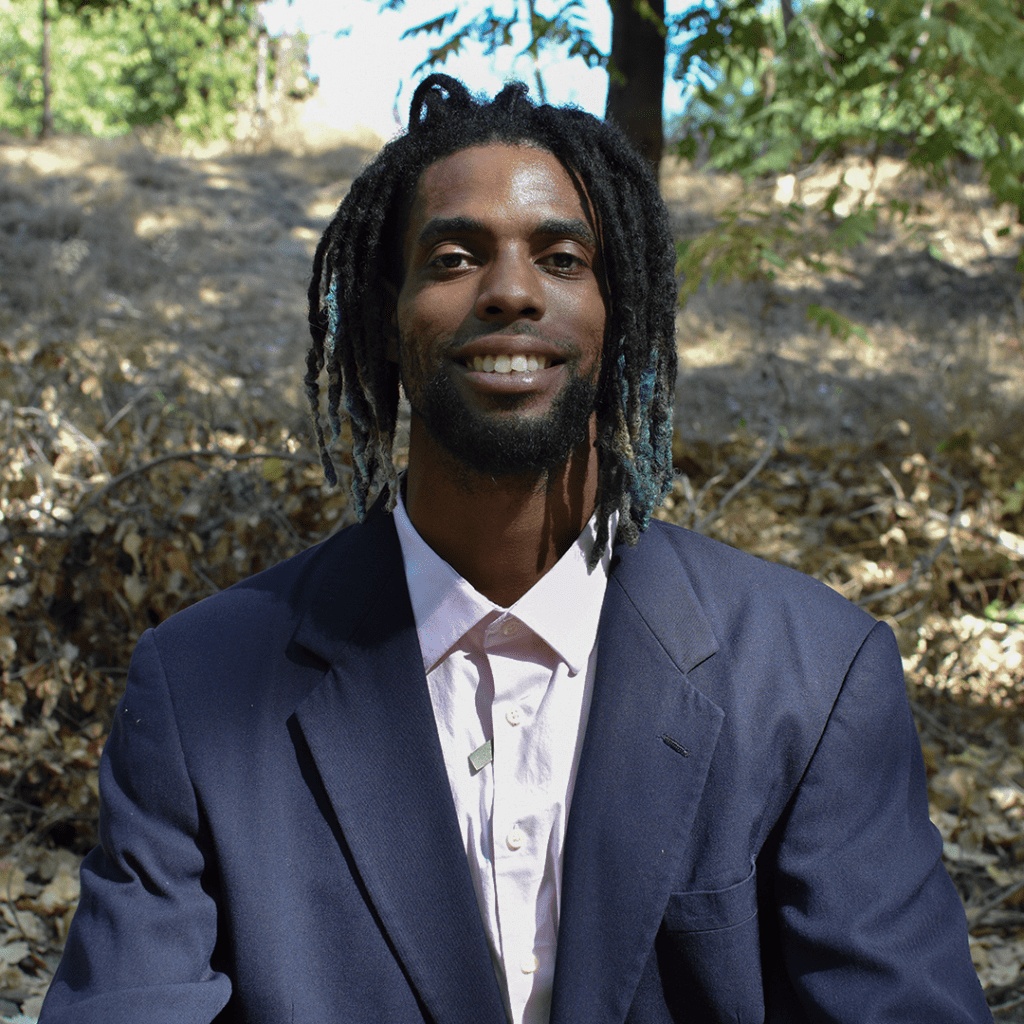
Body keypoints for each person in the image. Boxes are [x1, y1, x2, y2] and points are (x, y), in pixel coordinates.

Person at [40, 75, 991, 1024]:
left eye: (563, 258)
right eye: (453, 257)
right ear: (385, 312)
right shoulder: (201, 690)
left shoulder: (814, 678)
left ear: (620, 318)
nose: (509, 290)